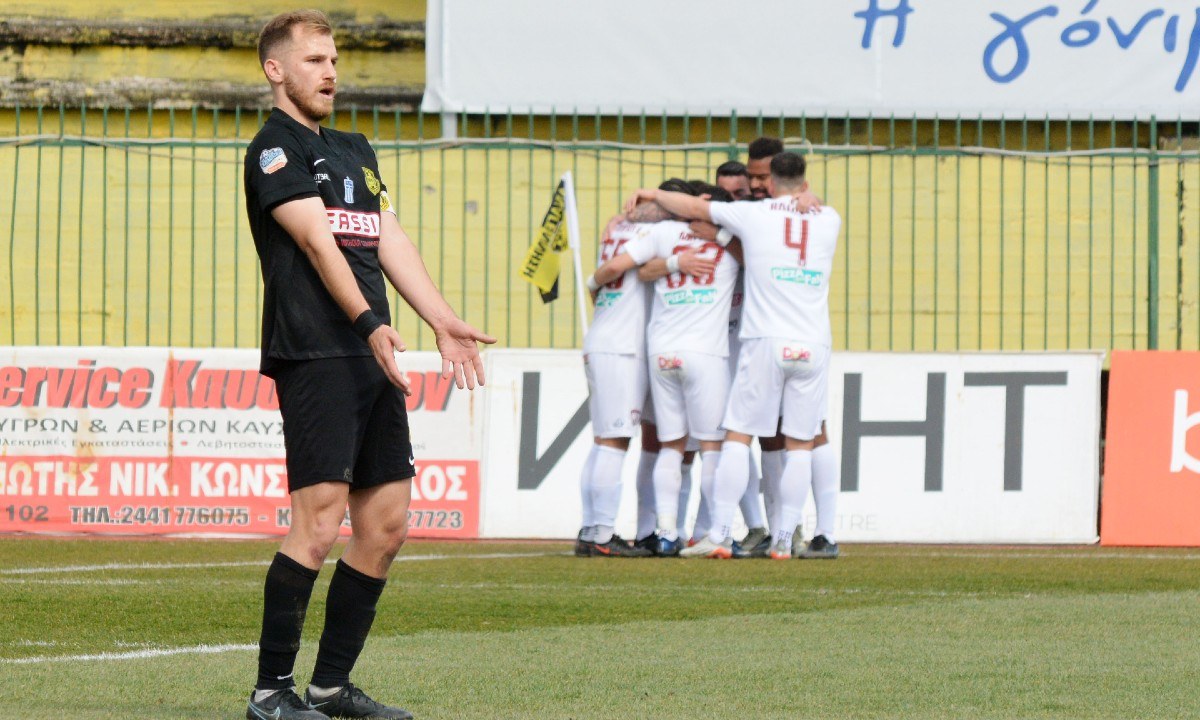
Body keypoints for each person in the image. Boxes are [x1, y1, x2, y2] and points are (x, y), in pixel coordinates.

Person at [242, 11, 494, 720]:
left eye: (334, 60)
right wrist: (370, 323)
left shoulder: (354, 149)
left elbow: (388, 239)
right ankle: (271, 693)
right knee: (319, 524)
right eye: (316, 59)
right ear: (276, 70)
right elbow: (320, 246)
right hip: (318, 351)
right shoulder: (273, 150)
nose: (330, 71)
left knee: (385, 527)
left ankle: (329, 687)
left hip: (370, 351)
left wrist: (441, 319)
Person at [627, 152, 840, 559]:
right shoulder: (829, 218)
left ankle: (721, 533)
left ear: (772, 183)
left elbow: (692, 207)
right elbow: (806, 205)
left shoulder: (753, 216)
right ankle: (784, 540)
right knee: (801, 444)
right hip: (813, 342)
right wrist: (807, 200)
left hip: (763, 339)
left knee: (737, 436)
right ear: (805, 184)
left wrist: (652, 192)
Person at [593, 185, 740, 556]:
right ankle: (715, 533)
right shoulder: (731, 241)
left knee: (670, 445)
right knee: (712, 447)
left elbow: (638, 270)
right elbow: (756, 260)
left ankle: (665, 533)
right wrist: (720, 236)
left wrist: (670, 263)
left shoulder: (662, 234)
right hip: (705, 352)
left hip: (661, 351)